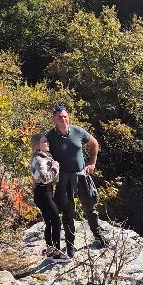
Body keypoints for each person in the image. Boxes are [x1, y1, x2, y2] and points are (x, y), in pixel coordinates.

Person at [45, 104, 107, 257]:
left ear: (68, 117)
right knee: (68, 213)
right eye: (59, 117)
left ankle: (98, 235)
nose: (63, 119)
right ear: (54, 119)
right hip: (64, 179)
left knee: (90, 208)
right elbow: (43, 155)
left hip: (81, 176)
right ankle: (70, 244)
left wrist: (92, 163)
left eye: (65, 116)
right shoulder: (50, 137)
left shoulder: (78, 131)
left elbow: (94, 143)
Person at [29, 133, 67, 261]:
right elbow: (45, 178)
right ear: (38, 145)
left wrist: (54, 168)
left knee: (50, 222)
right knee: (56, 221)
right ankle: (56, 253)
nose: (48, 143)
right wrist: (55, 168)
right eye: (44, 141)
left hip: (46, 192)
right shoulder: (39, 159)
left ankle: (50, 251)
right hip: (43, 193)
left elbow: (53, 180)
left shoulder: (46, 157)